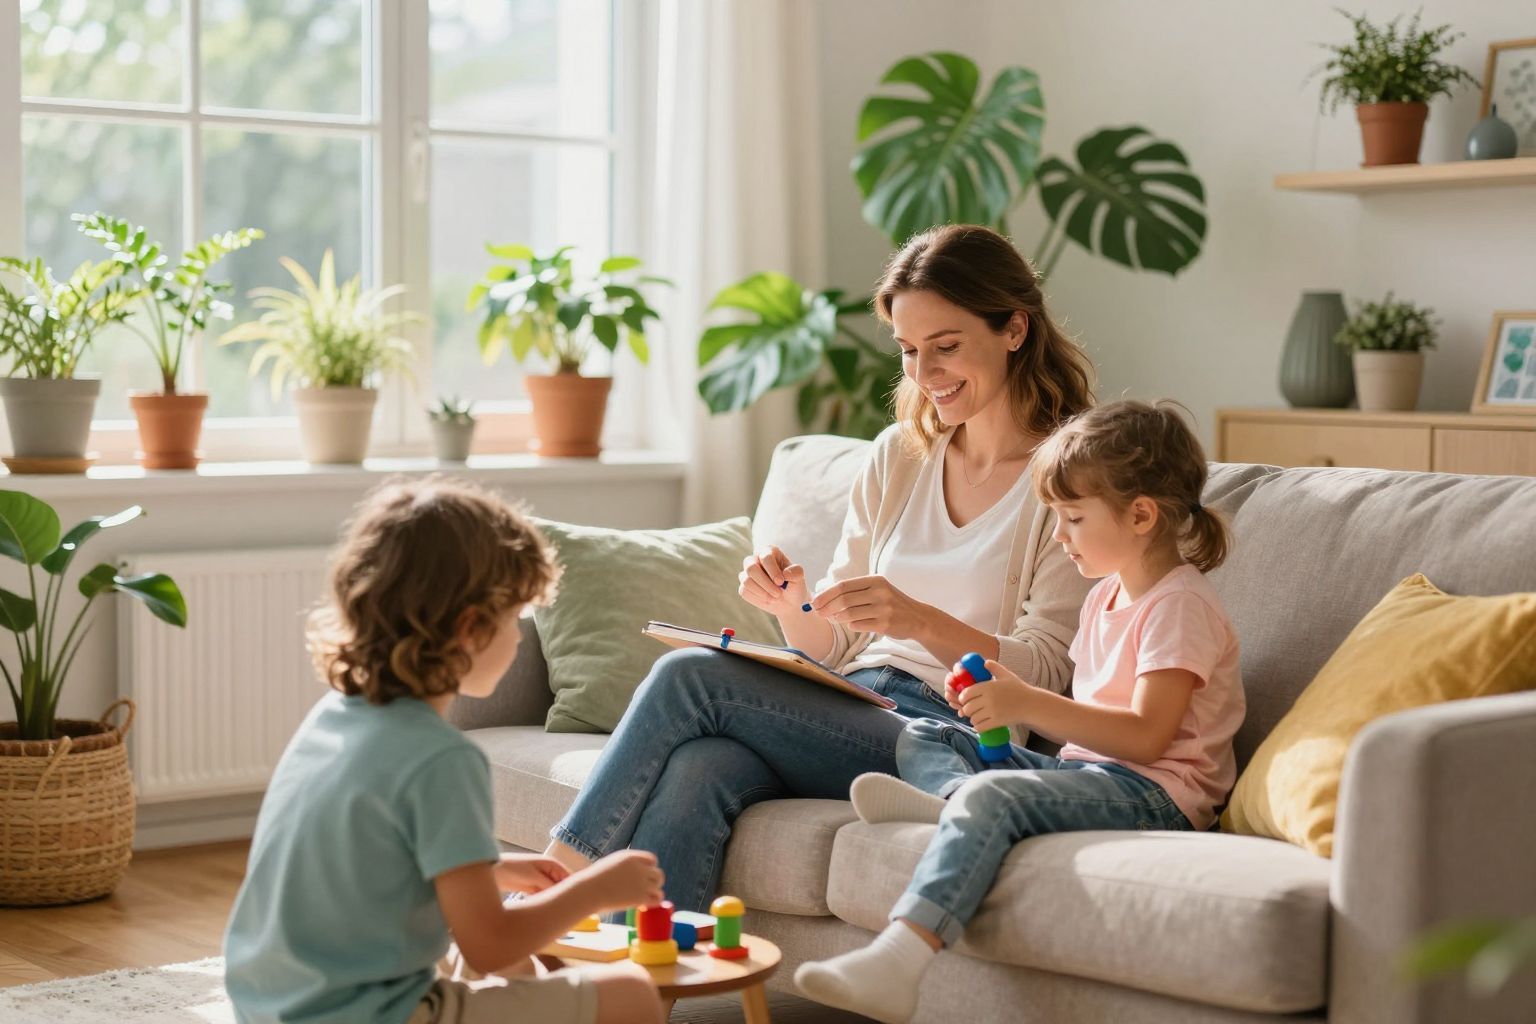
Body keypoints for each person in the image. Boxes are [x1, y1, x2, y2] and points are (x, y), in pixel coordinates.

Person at [544, 224, 1097, 912]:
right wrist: (793, 608)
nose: (925, 376)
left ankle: (552, 888)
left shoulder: (1068, 480)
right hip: (851, 702)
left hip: (944, 734)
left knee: (689, 676)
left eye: (947, 347)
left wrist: (919, 620)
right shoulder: (898, 456)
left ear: (1014, 328)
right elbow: (838, 647)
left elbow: (1047, 668)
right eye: (909, 351)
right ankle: (645, 997)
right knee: (698, 769)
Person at [795, 400, 1246, 1024]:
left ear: (1141, 515)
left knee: (997, 796)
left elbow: (1145, 739)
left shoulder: (1179, 607)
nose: (1058, 535)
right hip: (1095, 775)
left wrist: (1030, 703)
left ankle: (899, 958)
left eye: (1073, 518)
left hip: (1156, 796)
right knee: (930, 731)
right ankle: (955, 797)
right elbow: (1085, 725)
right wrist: (1001, 702)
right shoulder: (1107, 596)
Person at [224, 477, 666, 1024]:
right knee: (630, 993)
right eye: (516, 619)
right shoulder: (443, 759)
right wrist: (595, 891)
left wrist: (491, 872)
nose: (518, 637)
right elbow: (492, 944)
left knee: (516, 973)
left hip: (266, 1009)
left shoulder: (335, 718)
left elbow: (362, 863)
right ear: (469, 629)